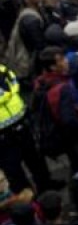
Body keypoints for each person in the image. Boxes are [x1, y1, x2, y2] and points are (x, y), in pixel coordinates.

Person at [0, 64, 55, 194]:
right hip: (2, 135)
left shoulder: (1, 70)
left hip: (21, 123)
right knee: (13, 170)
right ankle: (27, 199)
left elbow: (13, 82)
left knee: (35, 158)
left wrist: (8, 94)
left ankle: (46, 186)